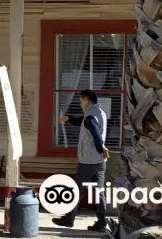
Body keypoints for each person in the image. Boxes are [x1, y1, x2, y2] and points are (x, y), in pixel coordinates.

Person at [52, 89, 110, 232]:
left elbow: (96, 133)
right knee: (99, 192)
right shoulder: (99, 113)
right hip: (100, 162)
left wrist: (100, 148)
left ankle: (68, 219)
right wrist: (69, 118)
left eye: (81, 100)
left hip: (88, 161)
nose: (80, 103)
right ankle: (102, 222)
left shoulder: (90, 117)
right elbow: (83, 122)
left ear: (87, 100)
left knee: (77, 190)